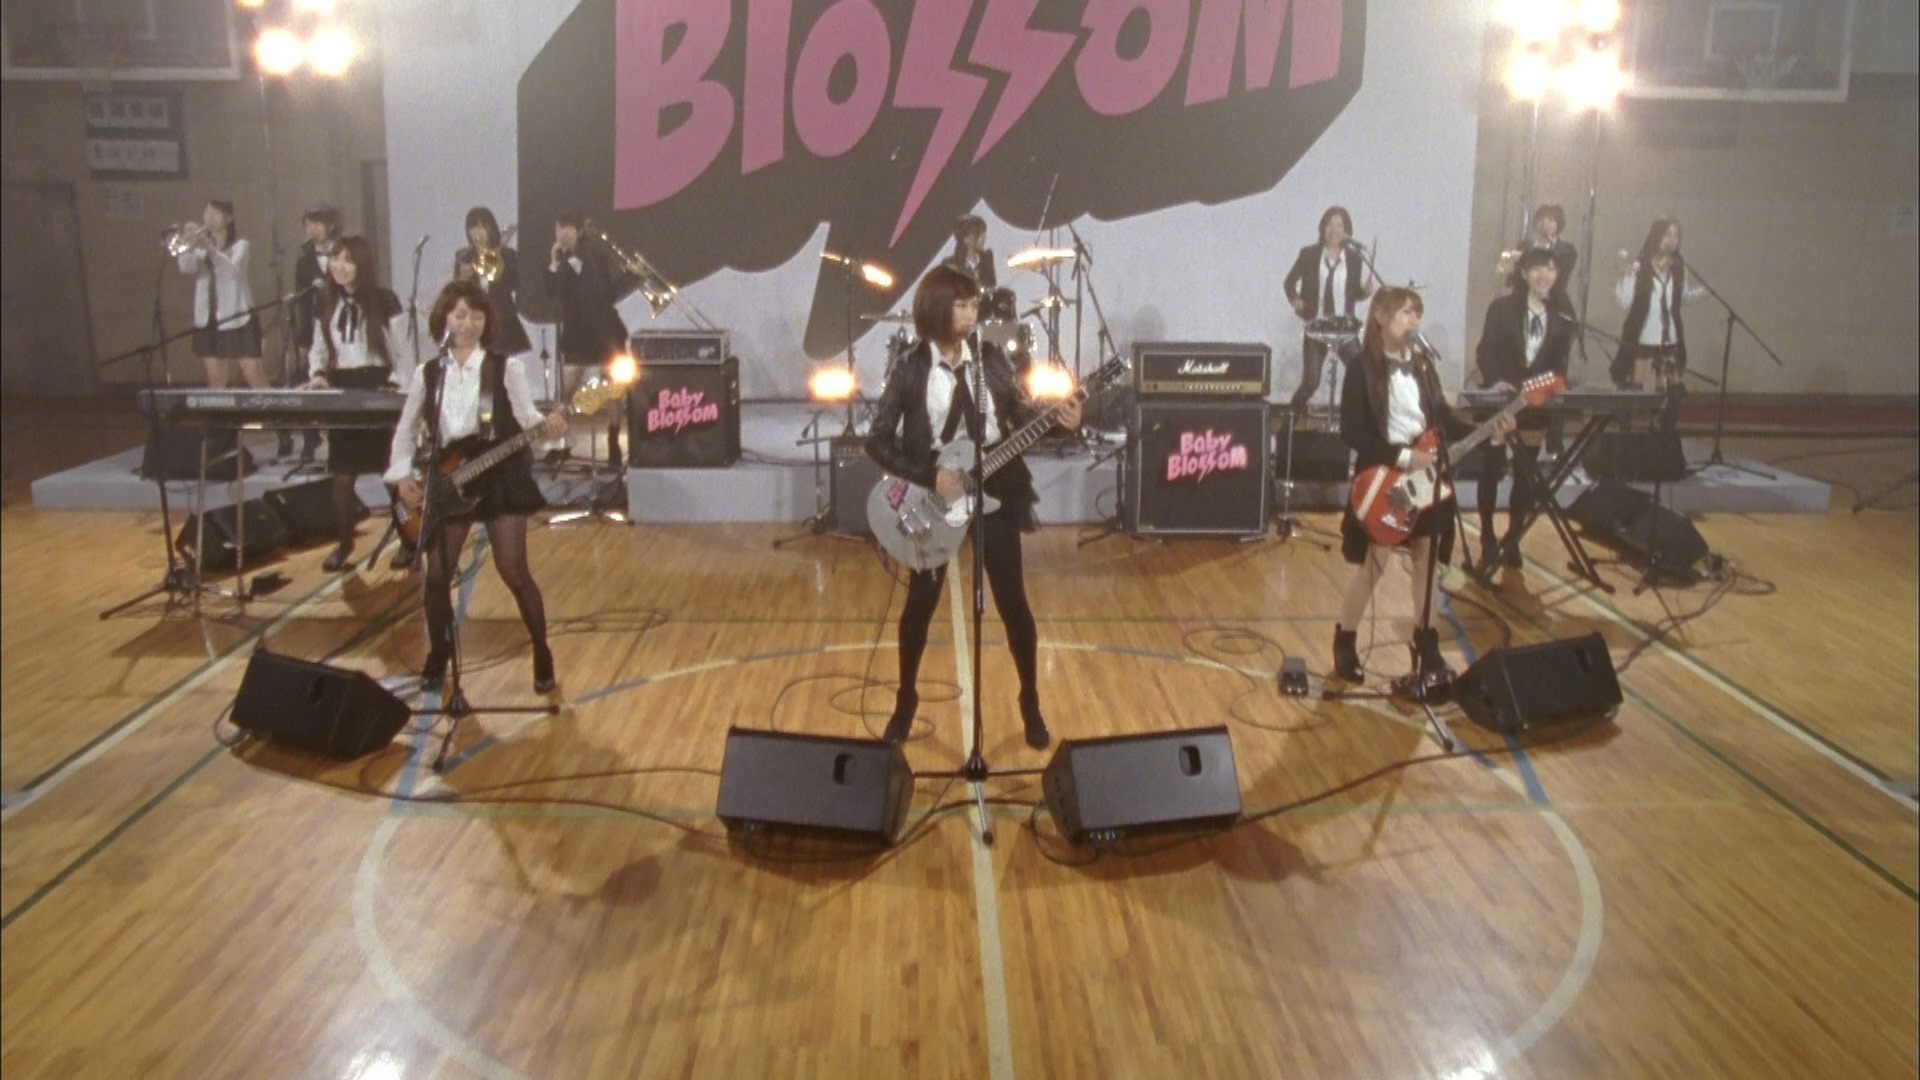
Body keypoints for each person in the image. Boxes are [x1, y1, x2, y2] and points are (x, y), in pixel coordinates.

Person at [866, 265, 1082, 749]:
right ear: (936, 309)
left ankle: (1030, 700)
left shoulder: (988, 359)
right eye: (961, 305)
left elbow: (1019, 413)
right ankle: (905, 700)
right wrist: (930, 477)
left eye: (973, 304)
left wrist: (1062, 419)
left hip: (995, 484)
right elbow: (876, 441)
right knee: (919, 607)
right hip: (935, 494)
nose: (971, 313)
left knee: (1013, 604)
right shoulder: (909, 368)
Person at [384, 279, 568, 694]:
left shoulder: (505, 368)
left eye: (477, 316)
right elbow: (406, 429)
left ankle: (541, 651)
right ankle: (439, 653)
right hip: (450, 476)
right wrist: (402, 475)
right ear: (444, 319)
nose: (468, 324)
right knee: (436, 576)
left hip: (499, 474)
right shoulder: (429, 373)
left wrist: (551, 428)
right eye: (461, 315)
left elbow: (528, 420)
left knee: (513, 570)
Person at [1332, 286, 1513, 686]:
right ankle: (1345, 639)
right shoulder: (1361, 367)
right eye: (1405, 312)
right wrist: (1402, 457)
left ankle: (1426, 641)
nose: (1413, 320)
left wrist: (1489, 430)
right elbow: (1352, 431)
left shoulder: (1423, 366)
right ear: (1380, 316)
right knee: (1373, 564)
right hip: (1385, 474)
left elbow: (1442, 418)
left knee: (1426, 561)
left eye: (1417, 312)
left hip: (1426, 477)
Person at [301, 236, 415, 573]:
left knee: (391, 476)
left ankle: (409, 539)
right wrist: (319, 375)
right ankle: (344, 542)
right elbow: (319, 348)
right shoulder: (325, 302)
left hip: (379, 388)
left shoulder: (384, 300)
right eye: (335, 259)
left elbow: (402, 351)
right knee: (341, 478)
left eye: (348, 260)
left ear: (362, 265)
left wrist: (398, 388)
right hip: (344, 392)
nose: (339, 266)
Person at [1473, 247, 1572, 572]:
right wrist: (1496, 380)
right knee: (1491, 467)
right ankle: (1487, 536)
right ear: (1525, 273)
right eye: (1537, 269)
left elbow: (1559, 363)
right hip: (1502, 399)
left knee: (1526, 475)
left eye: (1551, 269)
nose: (1544, 275)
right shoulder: (1502, 308)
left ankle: (1514, 537)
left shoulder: (1562, 316)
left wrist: (1553, 385)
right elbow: (1485, 352)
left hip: (1535, 403)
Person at [546, 213, 631, 462]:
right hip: (576, 334)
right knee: (566, 390)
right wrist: (554, 262)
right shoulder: (559, 261)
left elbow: (607, 291)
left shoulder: (594, 253)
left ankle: (613, 439)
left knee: (613, 387)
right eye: (559, 228)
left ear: (580, 231)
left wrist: (631, 275)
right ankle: (559, 442)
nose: (563, 233)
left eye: (568, 228)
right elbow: (552, 293)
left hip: (605, 331)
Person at [1283, 206, 1377, 415]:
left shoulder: (1354, 258)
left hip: (1344, 328)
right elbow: (1289, 283)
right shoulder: (1308, 254)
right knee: (1311, 382)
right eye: (1329, 224)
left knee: (1363, 375)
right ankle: (1288, 422)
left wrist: (1364, 292)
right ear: (1322, 228)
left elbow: (1352, 294)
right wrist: (1296, 300)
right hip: (1316, 326)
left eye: (1339, 225)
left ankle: (1358, 423)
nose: (1334, 230)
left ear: (1346, 231)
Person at [1611, 217, 1701, 431]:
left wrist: (1703, 292)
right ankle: (1626, 431)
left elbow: (1682, 298)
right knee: (1635, 383)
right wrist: (1626, 278)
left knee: (1673, 385)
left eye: (1676, 236)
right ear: (1656, 236)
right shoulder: (1640, 266)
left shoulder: (1679, 268)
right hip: (1643, 334)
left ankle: (1665, 430)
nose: (1672, 240)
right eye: (1667, 234)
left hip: (1668, 335)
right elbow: (1623, 301)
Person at [175, 198, 268, 391]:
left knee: (252, 373)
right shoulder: (199, 247)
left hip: (237, 316)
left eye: (215, 213)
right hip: (207, 317)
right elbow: (187, 268)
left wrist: (209, 247)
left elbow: (231, 272)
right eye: (207, 212)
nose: (209, 217)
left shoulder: (240, 245)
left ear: (229, 218)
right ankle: (220, 409)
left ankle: (271, 408)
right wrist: (188, 245)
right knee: (216, 379)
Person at [286, 203, 342, 463]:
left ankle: (339, 439)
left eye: (317, 223)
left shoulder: (344, 252)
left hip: (341, 325)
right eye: (308, 224)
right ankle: (310, 441)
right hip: (315, 327)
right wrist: (303, 338)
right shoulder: (304, 260)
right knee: (304, 380)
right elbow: (303, 303)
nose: (312, 229)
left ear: (330, 225)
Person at [453, 206, 534, 359]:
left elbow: (517, 285)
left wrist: (496, 262)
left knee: (502, 368)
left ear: (491, 228)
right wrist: (462, 279)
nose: (478, 232)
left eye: (483, 226)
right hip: (474, 323)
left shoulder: (507, 255)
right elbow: (456, 295)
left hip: (502, 322)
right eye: (473, 227)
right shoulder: (463, 257)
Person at [1505, 203, 1578, 316]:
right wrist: (1508, 268)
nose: (1545, 223)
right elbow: (1510, 282)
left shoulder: (1567, 250)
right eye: (1541, 219)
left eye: (1551, 220)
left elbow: (1561, 273)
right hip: (1522, 304)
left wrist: (1523, 257)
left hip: (1554, 305)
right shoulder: (1524, 246)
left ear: (1559, 224)